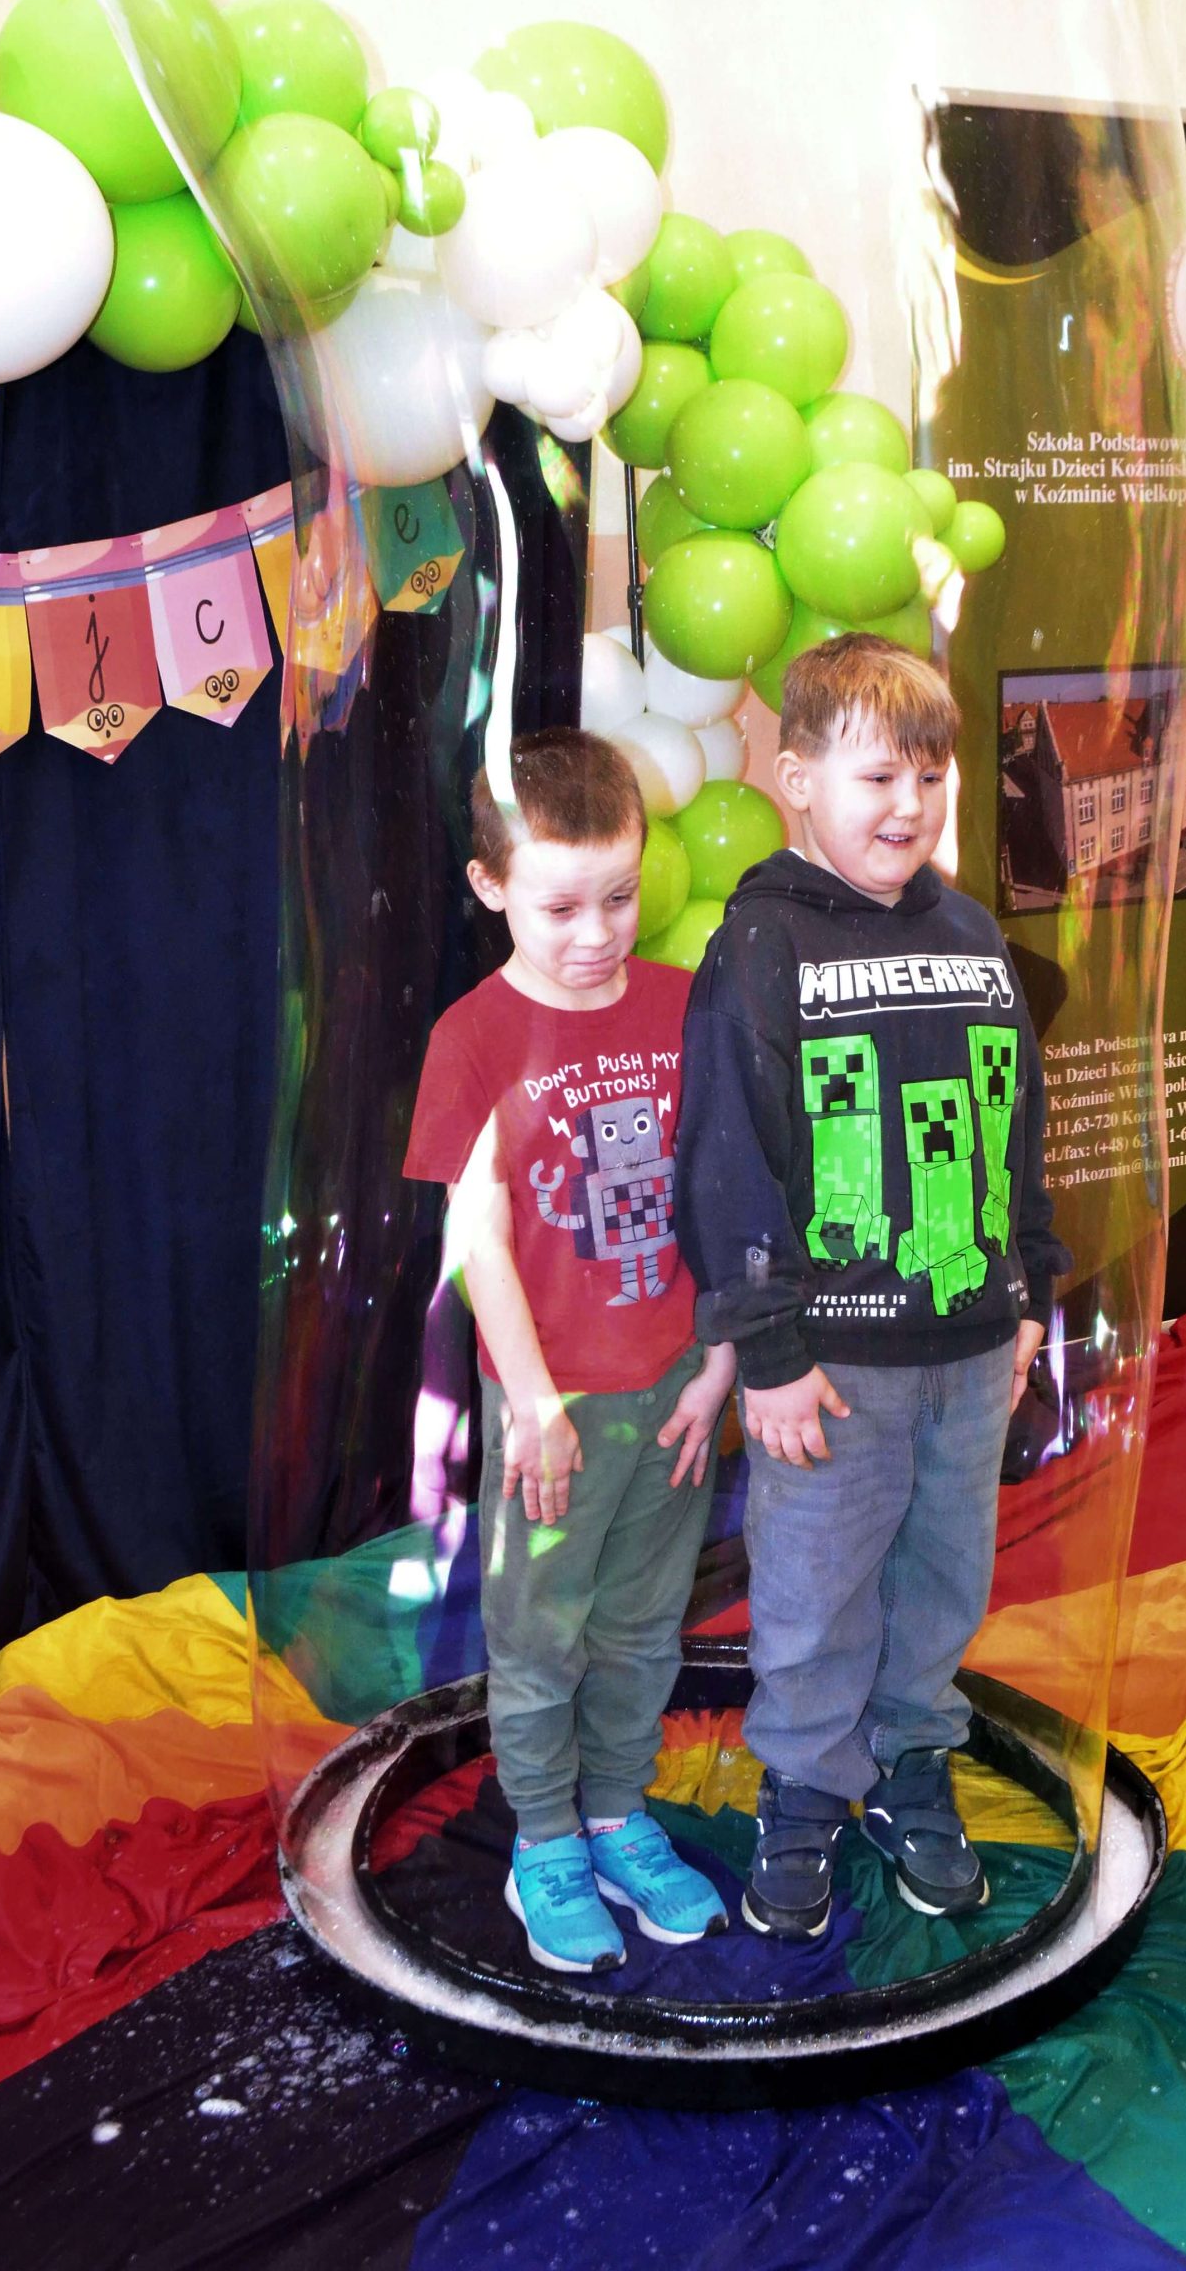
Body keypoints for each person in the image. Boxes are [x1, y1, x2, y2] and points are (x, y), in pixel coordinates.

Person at [678, 634, 1069, 1942]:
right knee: (817, 1585)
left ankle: (911, 1759)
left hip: (970, 1343)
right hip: (833, 1367)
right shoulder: (759, 944)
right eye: (877, 777)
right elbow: (726, 1162)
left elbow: (1015, 1124)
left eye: (930, 775)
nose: (909, 805)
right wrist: (769, 1352)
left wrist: (1025, 1289)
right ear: (797, 780)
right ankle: (802, 1782)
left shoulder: (970, 934)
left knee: (944, 1573)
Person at [405, 727, 736, 1974]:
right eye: (559, 907)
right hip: (552, 1407)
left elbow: (723, 1193)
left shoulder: (682, 1004)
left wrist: (719, 1359)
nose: (596, 933)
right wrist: (535, 1403)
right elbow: (478, 1236)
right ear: (490, 885)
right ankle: (544, 1837)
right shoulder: (472, 1036)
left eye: (619, 896)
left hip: (676, 1390)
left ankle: (614, 1812)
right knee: (543, 1636)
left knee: (644, 1624)